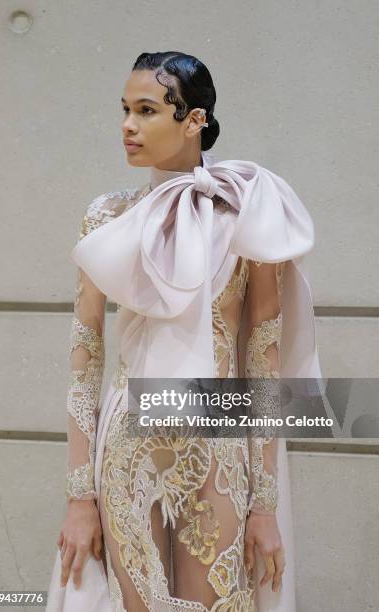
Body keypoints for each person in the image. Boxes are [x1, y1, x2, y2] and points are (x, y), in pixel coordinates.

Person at [46, 51, 321, 612]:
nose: (127, 124)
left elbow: (262, 359)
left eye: (146, 110)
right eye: (124, 109)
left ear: (193, 119)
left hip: (216, 441)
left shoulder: (246, 213)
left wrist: (265, 507)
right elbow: (85, 354)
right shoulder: (106, 216)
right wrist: (80, 497)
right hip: (128, 445)